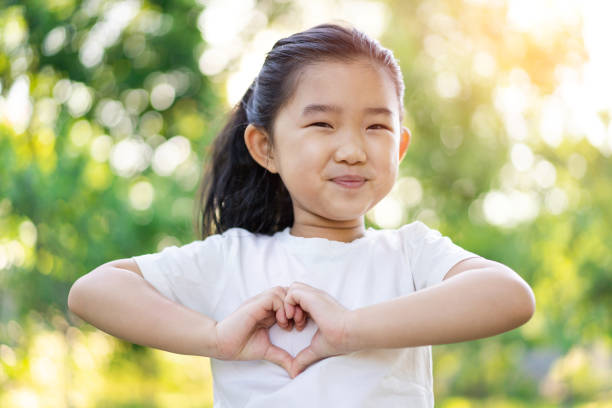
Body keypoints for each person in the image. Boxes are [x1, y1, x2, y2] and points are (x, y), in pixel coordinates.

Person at [68, 22, 536, 408]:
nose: (353, 150)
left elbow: (509, 296)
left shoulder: (410, 254)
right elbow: (93, 292)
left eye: (376, 126)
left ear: (401, 146)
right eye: (322, 124)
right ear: (265, 147)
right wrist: (216, 338)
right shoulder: (234, 259)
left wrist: (350, 330)